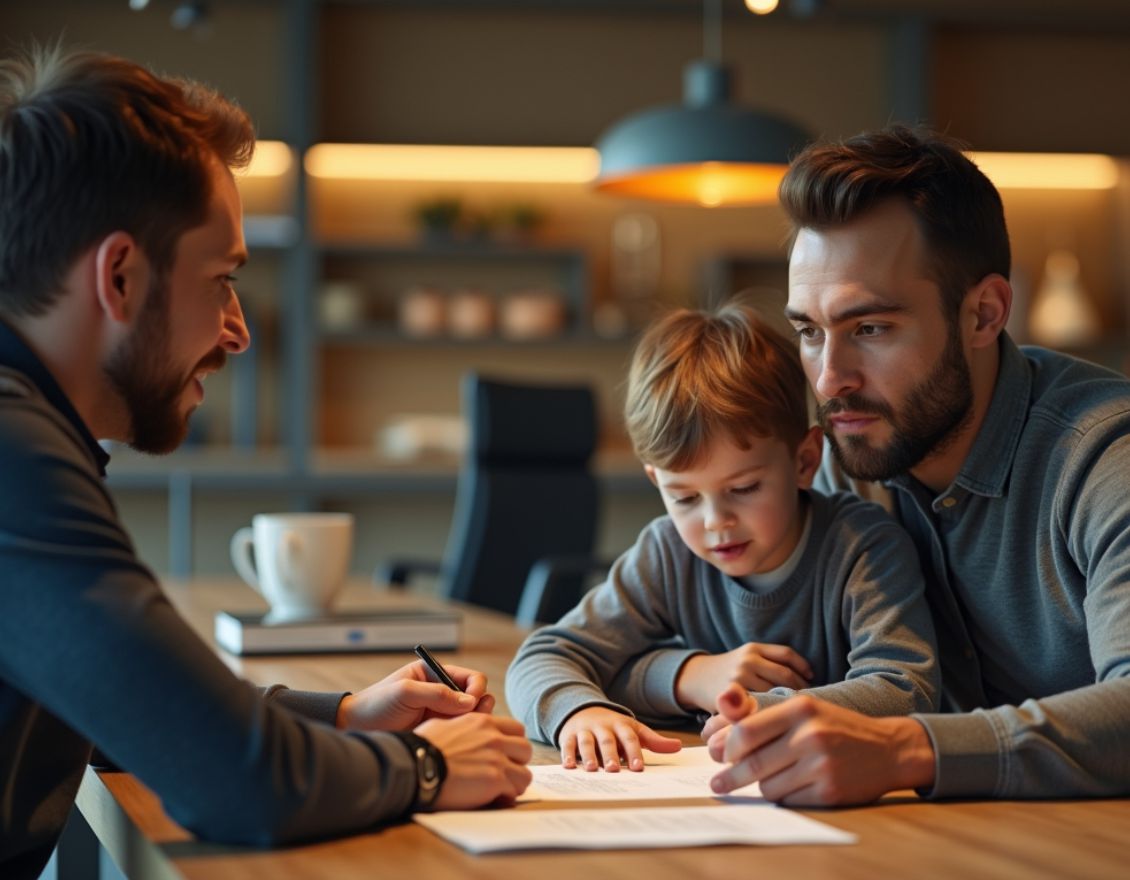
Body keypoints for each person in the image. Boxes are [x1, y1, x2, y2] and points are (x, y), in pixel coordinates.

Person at [0, 45, 531, 879]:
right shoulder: (15, 453)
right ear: (120, 277)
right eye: (221, 280)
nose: (239, 331)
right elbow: (237, 783)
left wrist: (346, 716)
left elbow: (124, 705)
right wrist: (427, 767)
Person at [706, 124, 1130, 805]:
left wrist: (905, 750)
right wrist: (685, 674)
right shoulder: (844, 458)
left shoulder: (1106, 459)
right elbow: (667, 621)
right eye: (809, 332)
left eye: (870, 329)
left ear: (984, 314)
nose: (829, 379)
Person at [505, 301, 938, 772]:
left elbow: (906, 690)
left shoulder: (863, 548)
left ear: (804, 461)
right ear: (656, 481)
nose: (716, 521)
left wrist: (757, 710)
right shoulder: (667, 553)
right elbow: (544, 657)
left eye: (744, 488)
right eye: (684, 497)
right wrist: (676, 681)